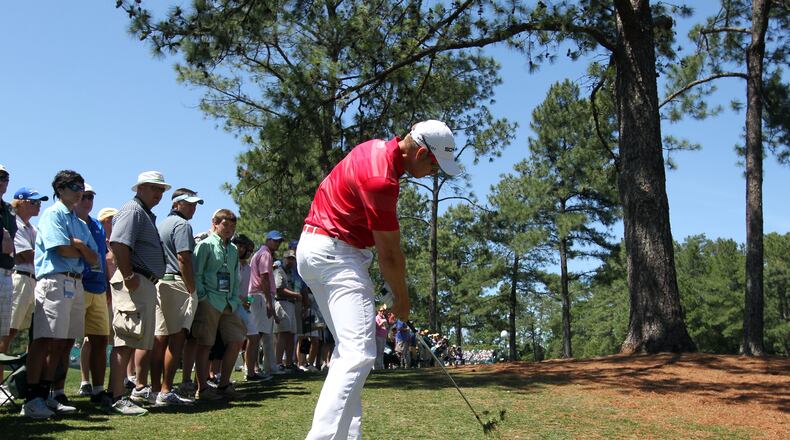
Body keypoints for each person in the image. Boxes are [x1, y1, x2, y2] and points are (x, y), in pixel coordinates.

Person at [296, 120, 460, 438]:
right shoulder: (381, 180)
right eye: (436, 166)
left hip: (316, 249)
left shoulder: (373, 148)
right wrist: (402, 300)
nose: (436, 173)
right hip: (335, 255)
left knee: (350, 354)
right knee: (358, 354)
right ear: (422, 153)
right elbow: (390, 255)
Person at [23, 170, 98, 419]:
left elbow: (94, 258)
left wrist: (78, 245)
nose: (80, 191)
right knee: (45, 339)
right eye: (75, 186)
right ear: (61, 189)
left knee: (65, 343)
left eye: (81, 187)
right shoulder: (52, 214)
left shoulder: (79, 222)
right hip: (55, 281)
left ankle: (50, 394)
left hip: (76, 283)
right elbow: (61, 250)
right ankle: (32, 398)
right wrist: (79, 248)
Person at [108, 171, 170, 415]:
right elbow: (119, 244)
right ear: (141, 188)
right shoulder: (133, 210)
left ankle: (120, 395)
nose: (159, 194)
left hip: (143, 282)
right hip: (134, 280)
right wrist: (130, 276)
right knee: (124, 342)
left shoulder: (142, 212)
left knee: (132, 341)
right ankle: (116, 397)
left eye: (162, 190)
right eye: (155, 189)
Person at [151, 188, 202, 406]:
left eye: (194, 204)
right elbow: (184, 259)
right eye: (188, 203)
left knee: (160, 339)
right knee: (177, 338)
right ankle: (165, 390)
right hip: (177, 284)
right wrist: (192, 290)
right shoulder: (182, 225)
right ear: (176, 204)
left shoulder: (161, 224)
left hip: (160, 282)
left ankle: (155, 389)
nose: (193, 208)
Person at [191, 209, 246, 401]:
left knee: (237, 339)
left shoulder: (232, 250)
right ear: (215, 223)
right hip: (210, 300)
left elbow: (233, 277)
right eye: (225, 224)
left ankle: (224, 384)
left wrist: (234, 299)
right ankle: (203, 388)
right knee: (205, 344)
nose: (229, 228)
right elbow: (196, 273)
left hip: (228, 303)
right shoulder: (205, 245)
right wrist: (203, 297)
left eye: (232, 226)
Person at [70, 184, 112, 406]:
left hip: (98, 288)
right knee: (67, 341)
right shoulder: (69, 221)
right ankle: (57, 392)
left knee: (100, 340)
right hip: (77, 284)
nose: (88, 201)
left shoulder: (96, 224)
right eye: (84, 197)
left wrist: (106, 286)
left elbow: (102, 259)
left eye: (91, 197)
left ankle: (97, 389)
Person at [0, 188, 47, 379]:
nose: (38, 205)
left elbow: (36, 255)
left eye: (39, 202)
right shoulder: (16, 224)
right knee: (7, 333)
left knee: (24, 331)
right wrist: (45, 254)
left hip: (32, 280)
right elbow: (25, 254)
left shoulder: (32, 228)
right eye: (33, 202)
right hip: (19, 278)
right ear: (20, 202)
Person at [247, 230, 280, 377]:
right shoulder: (265, 253)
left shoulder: (259, 253)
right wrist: (268, 301)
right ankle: (252, 370)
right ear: (268, 240)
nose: (278, 243)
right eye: (275, 240)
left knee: (263, 335)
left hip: (257, 295)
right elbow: (264, 278)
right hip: (261, 296)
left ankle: (266, 368)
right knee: (256, 335)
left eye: (279, 241)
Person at [274, 251, 301, 373]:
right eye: (288, 258)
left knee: (291, 334)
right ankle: (278, 363)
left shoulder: (292, 273)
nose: (290, 261)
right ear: (284, 259)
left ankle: (289, 363)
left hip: (291, 304)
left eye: (292, 259)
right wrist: (296, 295)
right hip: (282, 302)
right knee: (282, 334)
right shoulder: (279, 270)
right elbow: (279, 289)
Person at [0, 166, 17, 352]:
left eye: (5, 177)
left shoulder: (8, 209)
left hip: (5, 273)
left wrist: (5, 237)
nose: (3, 180)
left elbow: (10, 240)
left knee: (2, 332)